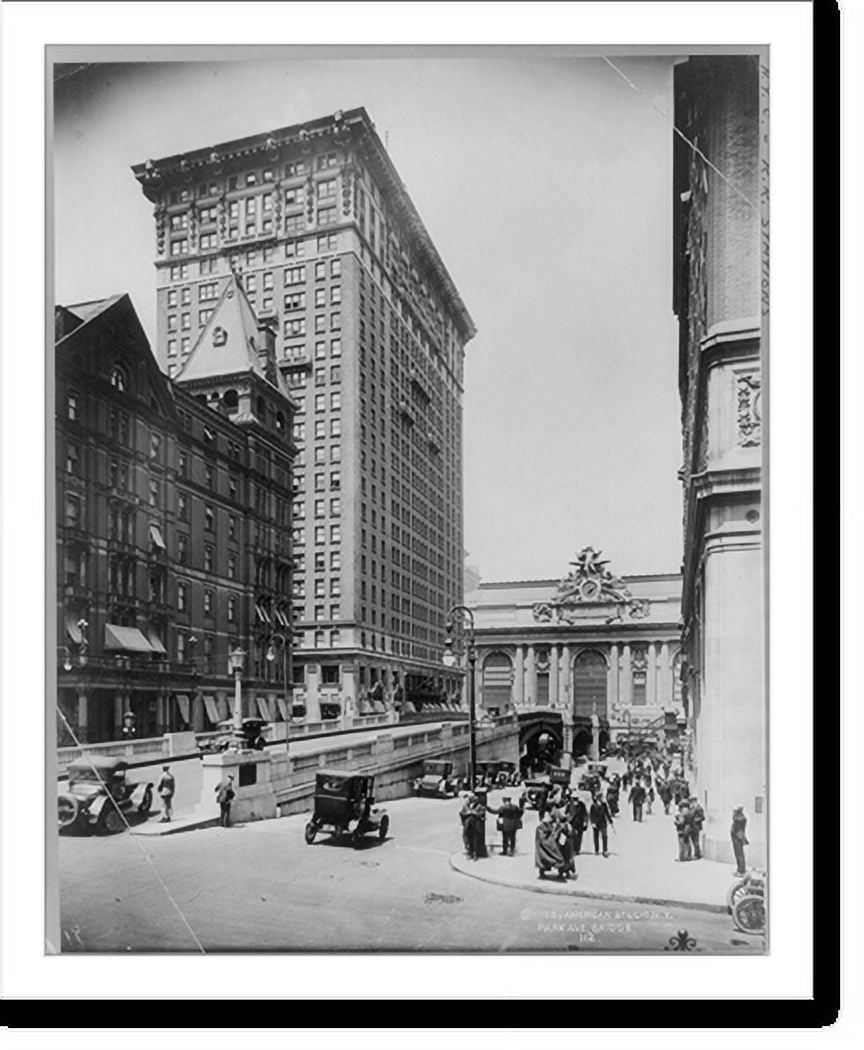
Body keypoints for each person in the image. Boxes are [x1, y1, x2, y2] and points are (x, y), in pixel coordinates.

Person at [534, 811, 568, 879]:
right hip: (543, 847)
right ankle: (542, 873)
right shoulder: (540, 827)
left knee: (562, 854)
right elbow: (543, 838)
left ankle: (561, 873)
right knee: (555, 858)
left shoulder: (553, 825)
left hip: (550, 845)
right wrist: (553, 834)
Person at [460, 793, 485, 860]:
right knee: (468, 839)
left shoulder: (479, 806)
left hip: (475, 826)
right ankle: (470, 852)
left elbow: (482, 814)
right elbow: (461, 813)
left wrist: (475, 813)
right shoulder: (466, 806)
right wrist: (466, 813)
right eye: (471, 799)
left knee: (475, 840)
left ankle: (475, 854)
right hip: (467, 825)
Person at [731, 806, 749, 875]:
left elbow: (736, 826)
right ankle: (741, 869)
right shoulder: (740, 818)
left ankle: (741, 870)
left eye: (735, 811)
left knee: (739, 854)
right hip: (737, 837)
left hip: (737, 837)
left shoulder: (739, 818)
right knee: (739, 854)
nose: (733, 812)